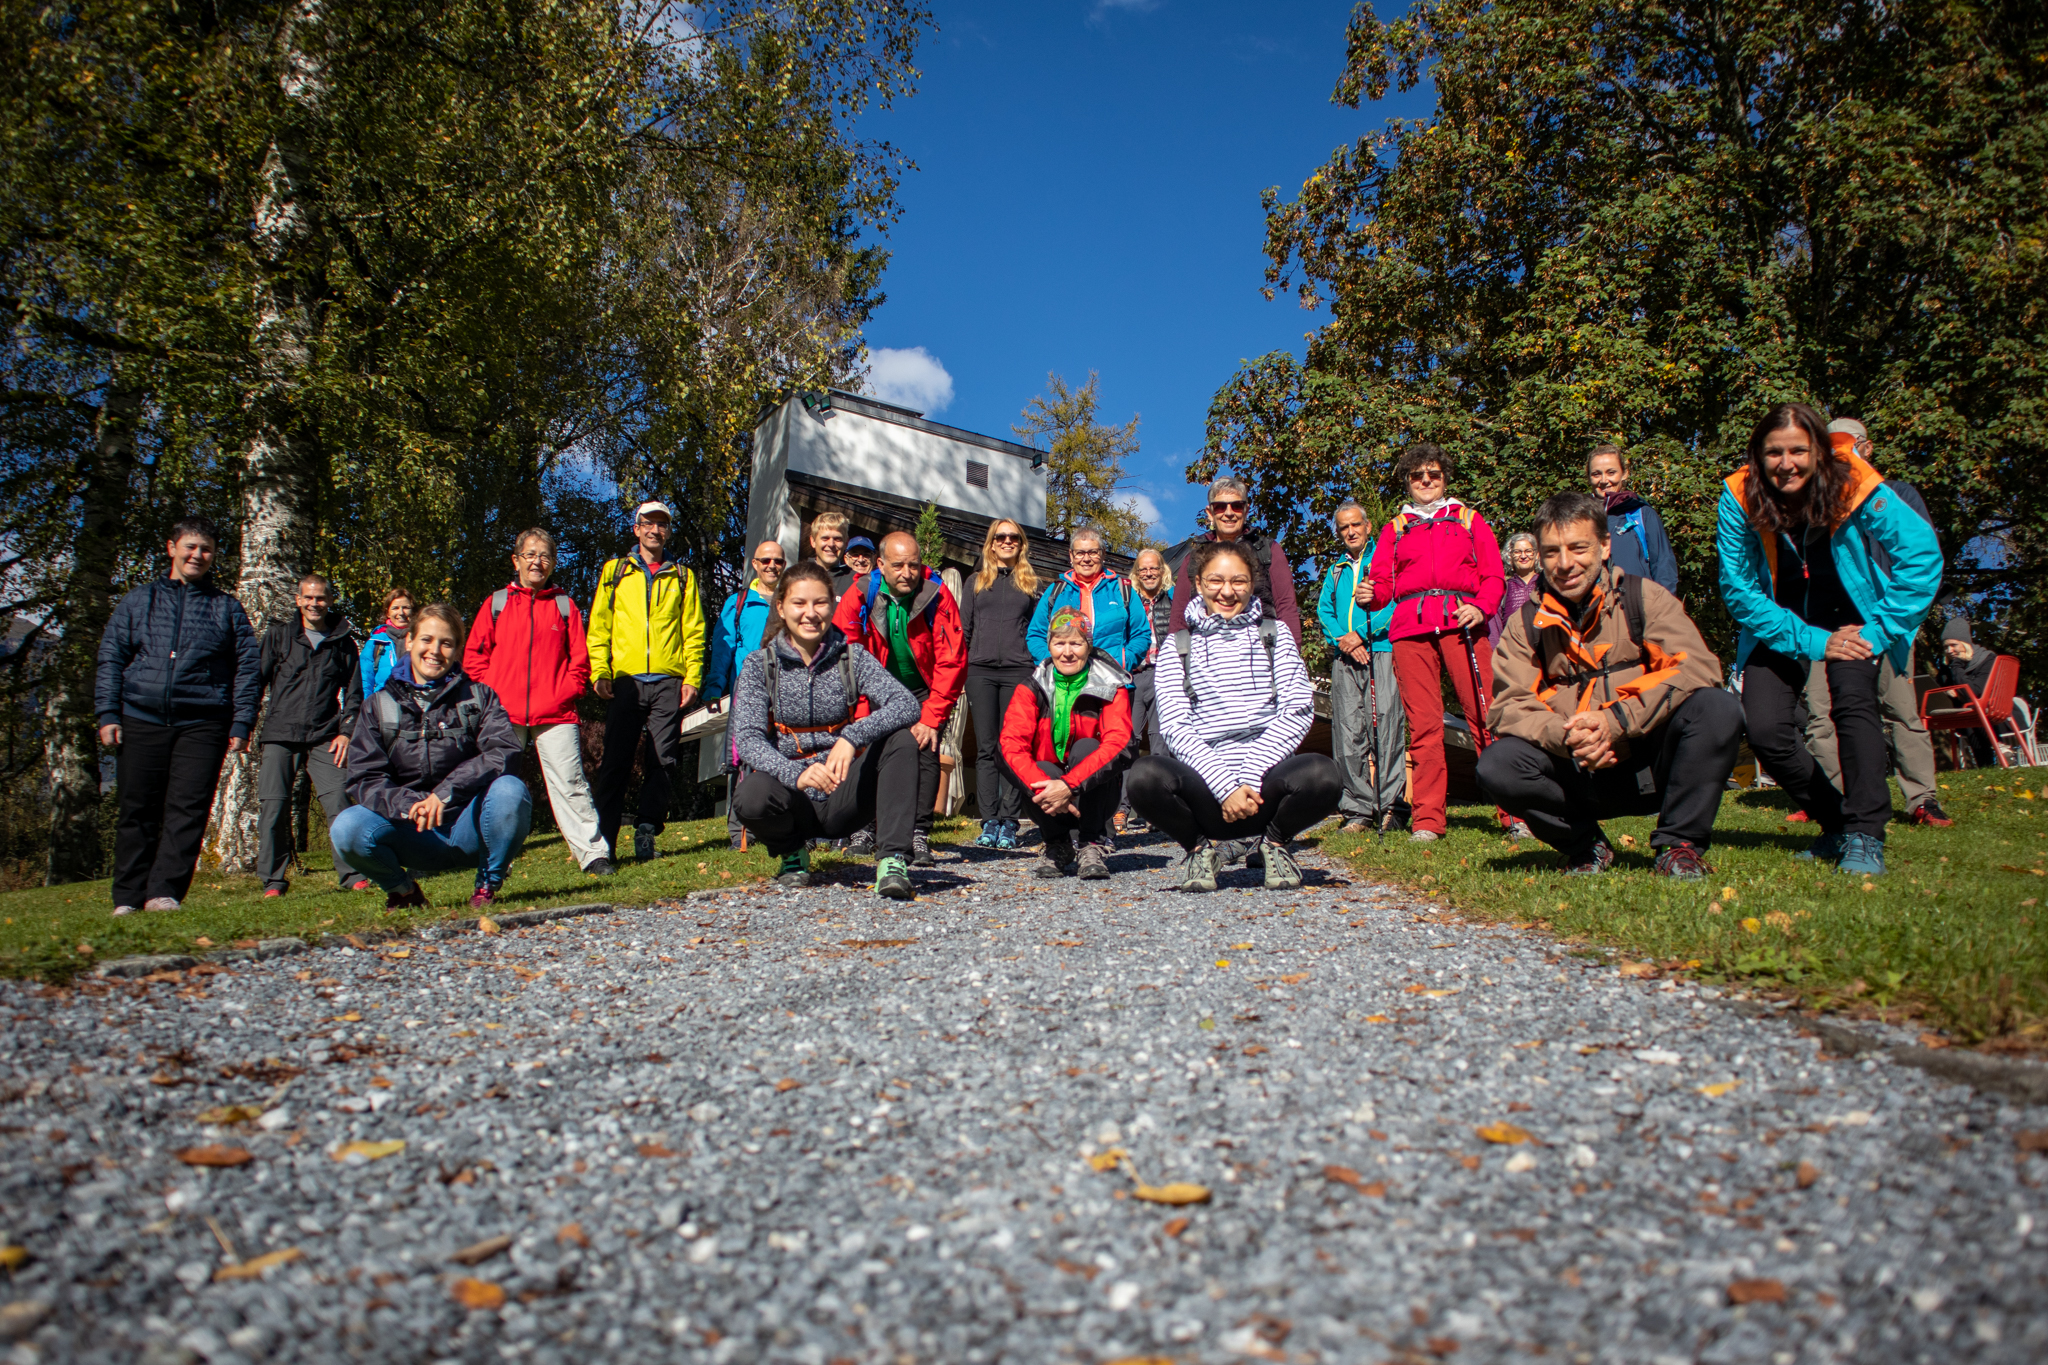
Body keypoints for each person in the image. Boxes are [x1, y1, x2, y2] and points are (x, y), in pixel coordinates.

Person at [1717, 401, 1941, 878]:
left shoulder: (1853, 481)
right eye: (1773, 452)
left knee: (1853, 705)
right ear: (1757, 456)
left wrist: (1879, 630)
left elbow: (1920, 557)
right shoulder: (1739, 495)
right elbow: (1738, 589)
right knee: (1765, 729)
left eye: (1798, 450)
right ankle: (1836, 822)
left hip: (1853, 618)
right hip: (1780, 620)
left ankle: (1865, 833)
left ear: (1819, 451)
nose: (1786, 463)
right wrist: (1814, 642)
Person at [1478, 492, 1742, 877]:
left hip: (1651, 762)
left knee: (1718, 707)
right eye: (1551, 552)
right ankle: (1586, 847)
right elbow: (1508, 706)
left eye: (1578, 548)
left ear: (1604, 546)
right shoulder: (1524, 625)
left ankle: (1679, 846)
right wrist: (1567, 737)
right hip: (1578, 772)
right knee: (1497, 764)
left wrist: (1616, 721)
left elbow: (1697, 668)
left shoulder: (1644, 597)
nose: (1565, 563)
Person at [1126, 539, 1342, 892]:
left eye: (1238, 581)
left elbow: (1298, 709)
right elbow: (1176, 726)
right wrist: (1226, 786)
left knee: (1323, 772)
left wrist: (1249, 775)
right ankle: (1199, 849)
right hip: (1206, 792)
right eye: (1216, 581)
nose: (1227, 592)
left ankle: (1273, 843)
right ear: (1198, 584)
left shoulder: (1276, 635)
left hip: (1265, 787)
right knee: (1144, 776)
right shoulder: (1176, 647)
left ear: (1251, 583)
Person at [95, 515, 261, 916]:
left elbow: (247, 667)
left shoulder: (226, 608)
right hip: (140, 716)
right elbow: (111, 657)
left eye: (206, 549)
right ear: (172, 548)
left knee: (187, 810)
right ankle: (127, 898)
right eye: (190, 547)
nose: (197, 555)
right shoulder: (139, 601)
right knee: (137, 809)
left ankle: (163, 893)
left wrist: (242, 722)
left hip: (203, 722)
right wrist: (107, 713)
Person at [730, 562, 923, 897]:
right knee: (750, 796)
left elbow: (906, 704)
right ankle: (792, 854)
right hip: (792, 798)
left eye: (819, 603)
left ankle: (892, 861)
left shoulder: (853, 658)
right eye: (799, 603)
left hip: (847, 794)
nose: (810, 613)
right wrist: (794, 774)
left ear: (832, 605)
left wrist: (852, 737)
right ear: (781, 607)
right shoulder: (758, 665)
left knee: (901, 739)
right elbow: (747, 739)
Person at [1793, 419, 1950, 827]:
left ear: (1868, 447)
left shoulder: (1895, 494)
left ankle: (1921, 799)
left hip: (1885, 619)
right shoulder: (1812, 503)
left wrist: (1888, 623)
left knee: (1899, 709)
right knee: (1820, 715)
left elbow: (1919, 558)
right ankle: (1836, 801)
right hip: (1823, 628)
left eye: (1849, 445)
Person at [330, 603, 530, 910]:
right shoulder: (376, 707)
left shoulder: (480, 697)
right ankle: (403, 890)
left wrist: (446, 794)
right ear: (409, 641)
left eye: (446, 643)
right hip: (411, 831)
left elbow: (503, 751)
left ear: (457, 650)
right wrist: (410, 805)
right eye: (426, 639)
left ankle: (487, 884)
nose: (434, 650)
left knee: (511, 791)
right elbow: (364, 779)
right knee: (346, 827)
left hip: (470, 826)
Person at [1366, 442, 1506, 843]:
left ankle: (1515, 812)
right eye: (1417, 476)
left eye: (1434, 474)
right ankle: (1428, 820)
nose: (1426, 481)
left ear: (1444, 478)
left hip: (1463, 621)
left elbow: (1494, 574)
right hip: (1410, 628)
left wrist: (1482, 607)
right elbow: (1383, 587)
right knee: (1424, 725)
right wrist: (1370, 595)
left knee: (1486, 715)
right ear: (1408, 482)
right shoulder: (1396, 527)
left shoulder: (1468, 519)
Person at [463, 528, 612, 877]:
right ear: (516, 561)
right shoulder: (496, 604)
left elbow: (580, 660)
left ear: (554, 563)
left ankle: (593, 855)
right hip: (503, 715)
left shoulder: (564, 606)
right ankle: (493, 859)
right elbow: (474, 657)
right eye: (529, 554)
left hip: (555, 714)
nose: (537, 561)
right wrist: (492, 697)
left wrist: (566, 691)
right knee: (496, 787)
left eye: (544, 555)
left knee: (571, 784)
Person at [832, 531, 967, 867]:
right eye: (898, 565)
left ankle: (917, 832)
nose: (907, 573)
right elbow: (843, 652)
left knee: (925, 748)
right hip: (874, 685)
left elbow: (952, 658)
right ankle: (864, 827)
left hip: (923, 686)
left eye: (913, 565)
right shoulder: (861, 593)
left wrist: (933, 716)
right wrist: (861, 710)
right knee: (868, 748)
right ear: (880, 565)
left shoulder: (937, 594)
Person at [587, 500, 706, 865]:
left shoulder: (683, 577)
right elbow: (600, 625)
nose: (655, 530)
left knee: (663, 761)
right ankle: (602, 843)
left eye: (662, 525)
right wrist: (600, 670)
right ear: (636, 529)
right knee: (615, 763)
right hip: (626, 681)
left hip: (668, 682)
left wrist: (692, 677)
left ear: (668, 531)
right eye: (648, 524)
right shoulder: (615, 571)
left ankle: (647, 830)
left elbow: (694, 631)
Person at [255, 573, 366, 896]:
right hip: (280, 733)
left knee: (339, 802)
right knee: (273, 807)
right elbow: (254, 682)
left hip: (324, 735)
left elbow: (354, 694)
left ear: (330, 601)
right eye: (308, 597)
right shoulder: (279, 636)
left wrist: (346, 732)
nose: (314, 604)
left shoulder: (342, 641)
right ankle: (273, 881)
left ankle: (352, 874)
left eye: (320, 598)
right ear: (297, 599)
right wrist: (242, 726)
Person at [1001, 609, 1134, 880]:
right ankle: (1057, 844)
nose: (1067, 652)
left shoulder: (1111, 685)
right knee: (1039, 770)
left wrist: (1070, 785)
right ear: (1049, 646)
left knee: (1087, 748)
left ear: (1089, 646)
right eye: (1059, 643)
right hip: (1050, 794)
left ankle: (1091, 844)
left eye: (1076, 643)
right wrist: (1052, 789)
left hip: (1095, 791)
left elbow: (1121, 743)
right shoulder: (1031, 687)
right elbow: (1009, 746)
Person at [1317, 499, 1406, 834]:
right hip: (1345, 657)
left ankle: (1391, 807)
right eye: (1344, 527)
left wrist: (1363, 636)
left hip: (1380, 651)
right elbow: (1325, 610)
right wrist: (1344, 639)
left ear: (1368, 527)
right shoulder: (1336, 569)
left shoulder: (1385, 561)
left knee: (1385, 725)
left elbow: (1397, 602)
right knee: (1348, 732)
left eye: (1356, 525)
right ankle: (1357, 809)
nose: (1350, 531)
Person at [960, 518, 1039, 850]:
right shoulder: (975, 582)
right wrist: (961, 673)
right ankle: (988, 819)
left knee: (1014, 748)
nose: (1007, 542)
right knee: (987, 748)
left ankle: (1010, 821)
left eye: (1014, 537)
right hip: (980, 672)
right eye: (1000, 537)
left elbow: (1037, 632)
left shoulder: (1032, 585)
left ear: (1021, 544)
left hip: (1018, 671)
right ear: (991, 543)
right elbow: (964, 630)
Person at [703, 541, 788, 848]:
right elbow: (723, 649)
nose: (772, 566)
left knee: (781, 755)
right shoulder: (738, 602)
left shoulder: (789, 600)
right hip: (747, 689)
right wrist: (714, 688)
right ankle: (739, 832)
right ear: (754, 563)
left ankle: (774, 825)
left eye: (778, 561)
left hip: (783, 689)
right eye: (765, 560)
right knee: (741, 759)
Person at [1165, 476, 1303, 643]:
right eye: (1220, 507)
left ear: (1246, 510)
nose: (1228, 513)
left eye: (1237, 506)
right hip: (1206, 655)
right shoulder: (1194, 559)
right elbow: (1179, 618)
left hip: (1258, 652)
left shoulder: (1267, 550)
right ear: (1210, 513)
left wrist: (1291, 655)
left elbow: (1286, 607)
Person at [1027, 527, 1153, 672]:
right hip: (1065, 684)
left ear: (1103, 553)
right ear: (1071, 555)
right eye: (1080, 553)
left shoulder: (1123, 590)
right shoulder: (1056, 591)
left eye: (1093, 552)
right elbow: (1036, 634)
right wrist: (1052, 664)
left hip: (1114, 681)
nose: (1086, 559)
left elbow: (1141, 634)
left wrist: (1124, 662)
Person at [1117, 547, 1175, 833]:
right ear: (1137, 574)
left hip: (1167, 676)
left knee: (1161, 743)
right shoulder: (1128, 601)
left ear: (1162, 570)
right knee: (1127, 741)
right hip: (1136, 674)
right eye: (1143, 569)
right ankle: (1122, 808)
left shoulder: (1174, 598)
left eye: (1154, 568)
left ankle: (1157, 808)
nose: (1149, 573)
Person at [1586, 444, 1680, 594]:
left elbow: (1663, 567)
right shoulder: (1579, 517)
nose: (1604, 480)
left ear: (1624, 474)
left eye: (1611, 472)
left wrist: (1663, 611)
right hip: (1592, 610)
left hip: (1637, 609)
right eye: (1596, 474)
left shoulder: (1641, 513)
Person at [1933, 615, 1999, 767]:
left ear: (1965, 643)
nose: (1949, 650)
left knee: (1970, 710)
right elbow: (1943, 688)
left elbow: (1973, 692)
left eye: (1953, 645)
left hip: (1992, 710)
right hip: (1968, 712)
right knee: (1966, 712)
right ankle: (1985, 765)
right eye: (1945, 647)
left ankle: (1989, 762)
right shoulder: (1950, 665)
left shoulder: (1987, 660)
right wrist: (1945, 668)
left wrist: (1956, 665)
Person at [359, 588, 414, 696]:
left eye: (406, 607)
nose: (401, 612)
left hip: (415, 704)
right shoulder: (375, 643)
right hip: (384, 705)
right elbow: (365, 680)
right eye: (395, 608)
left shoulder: (421, 640)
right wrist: (367, 708)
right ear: (387, 612)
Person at [1490, 532, 1541, 647]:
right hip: (1513, 651)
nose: (1523, 556)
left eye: (1528, 551)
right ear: (1510, 556)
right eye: (1517, 552)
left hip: (1544, 651)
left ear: (1537, 555)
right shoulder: (1503, 588)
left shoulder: (1546, 585)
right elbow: (1494, 627)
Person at [808, 513, 854, 597]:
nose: (831, 544)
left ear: (846, 543)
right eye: (825, 538)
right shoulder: (797, 576)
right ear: (813, 541)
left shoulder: (856, 583)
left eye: (837, 539)